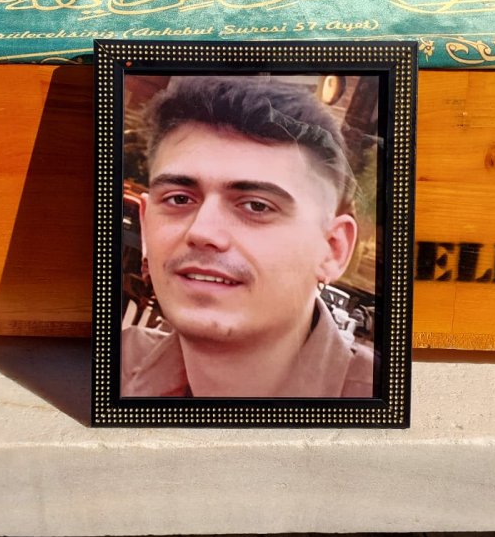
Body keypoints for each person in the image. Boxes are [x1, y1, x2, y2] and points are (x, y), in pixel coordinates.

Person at [121, 76, 375, 399]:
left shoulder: (383, 402)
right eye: (179, 199)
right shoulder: (106, 368)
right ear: (145, 225)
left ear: (332, 249)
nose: (201, 231)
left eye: (256, 206)